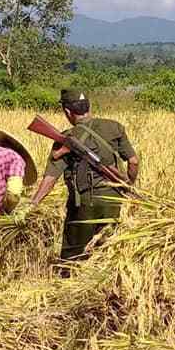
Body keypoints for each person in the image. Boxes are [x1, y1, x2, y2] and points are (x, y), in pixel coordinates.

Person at [29, 89, 139, 261]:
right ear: (89, 106)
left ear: (67, 111)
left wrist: (32, 204)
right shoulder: (114, 127)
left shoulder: (66, 137)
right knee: (107, 252)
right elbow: (133, 161)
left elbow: (50, 178)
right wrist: (127, 185)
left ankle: (68, 283)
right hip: (113, 201)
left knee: (73, 257)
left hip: (83, 204)